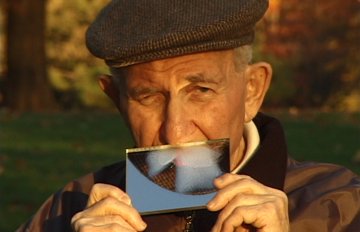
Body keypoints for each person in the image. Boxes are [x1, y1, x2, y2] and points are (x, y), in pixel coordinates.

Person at [17, 0, 360, 231]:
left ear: (253, 90)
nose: (176, 133)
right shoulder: (68, 209)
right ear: (118, 100)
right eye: (148, 96)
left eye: (201, 91)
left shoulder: (339, 204)